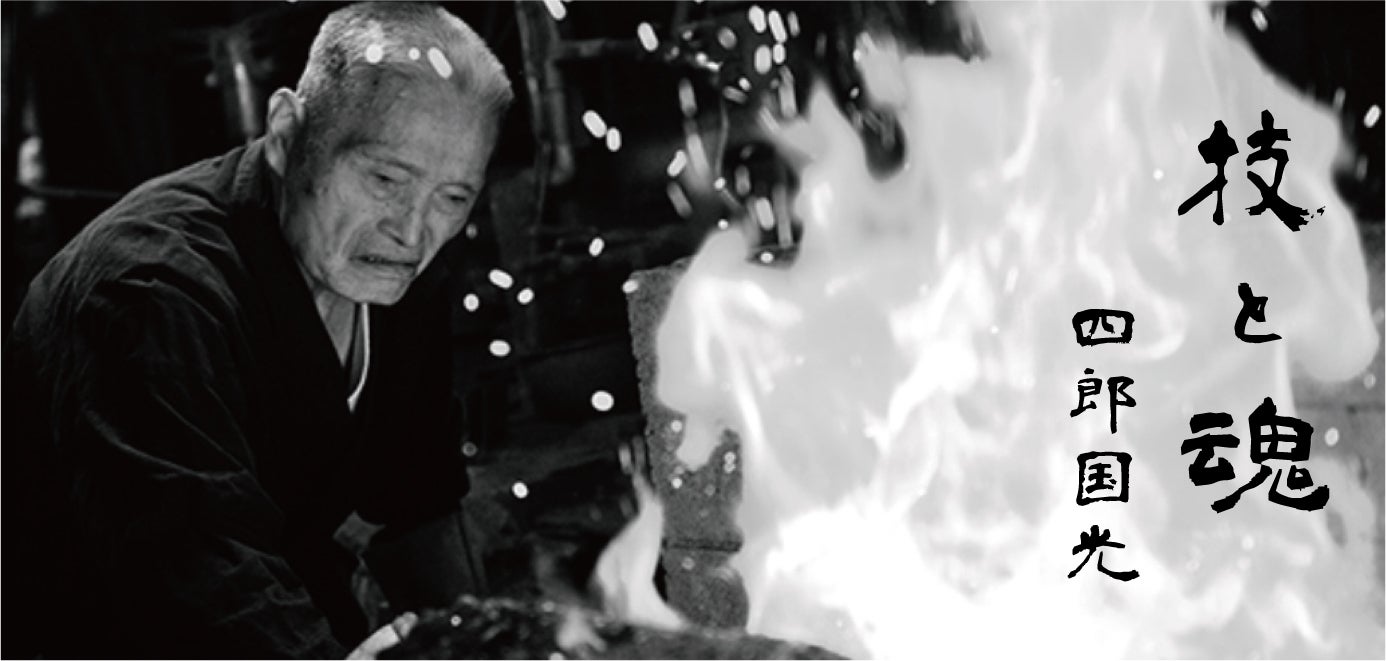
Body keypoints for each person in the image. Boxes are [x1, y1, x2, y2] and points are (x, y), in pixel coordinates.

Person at [3, 2, 512, 657]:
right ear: (285, 133)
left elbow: (421, 496)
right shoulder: (149, 296)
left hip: (276, 585)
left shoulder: (392, 268)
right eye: (386, 178)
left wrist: (488, 644)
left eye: (453, 197)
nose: (412, 232)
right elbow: (203, 585)